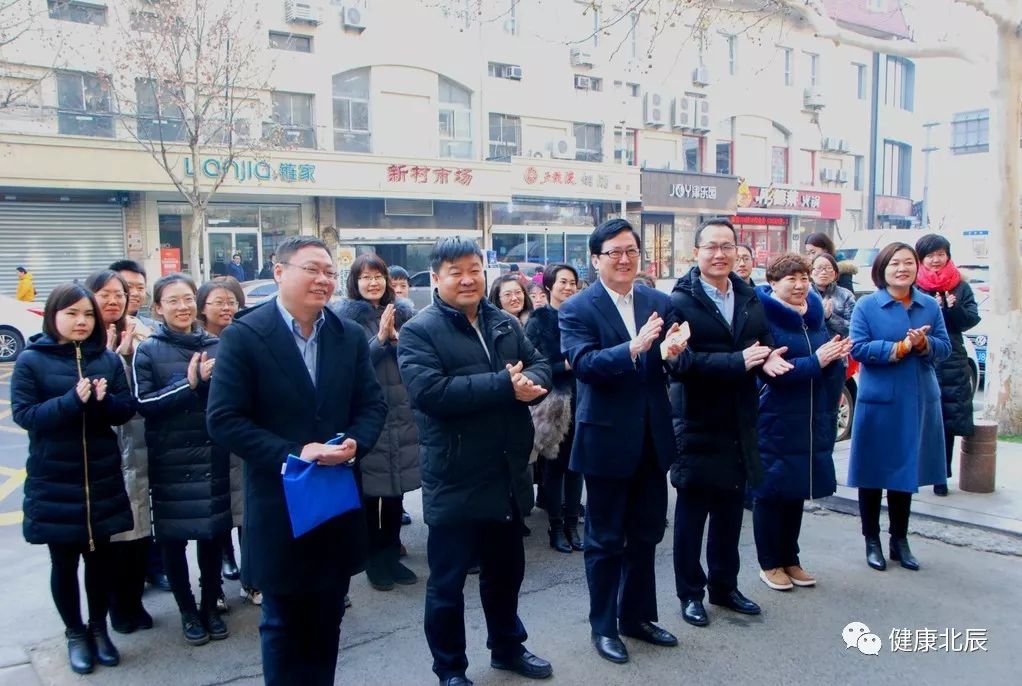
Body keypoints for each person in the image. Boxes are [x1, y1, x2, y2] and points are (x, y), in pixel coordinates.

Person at [207, 236, 386, 686]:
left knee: (328, 619)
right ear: (279, 271)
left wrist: (355, 445)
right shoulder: (245, 336)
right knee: (283, 624)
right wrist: (292, 454)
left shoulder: (346, 336)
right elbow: (224, 419)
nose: (323, 279)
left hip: (336, 498)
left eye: (328, 271)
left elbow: (371, 405)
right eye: (311, 269)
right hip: (278, 504)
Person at [397, 237, 553, 686]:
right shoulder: (419, 330)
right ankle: (450, 669)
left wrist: (528, 382)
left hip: (506, 468)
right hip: (454, 473)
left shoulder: (502, 322)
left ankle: (507, 647)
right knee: (446, 585)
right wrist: (506, 387)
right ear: (436, 278)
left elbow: (539, 365)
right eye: (455, 271)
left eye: (474, 269)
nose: (467, 279)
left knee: (506, 573)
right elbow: (431, 394)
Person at [559, 218, 688, 665]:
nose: (624, 258)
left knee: (647, 534)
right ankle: (603, 626)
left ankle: (637, 616)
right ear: (596, 259)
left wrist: (673, 350)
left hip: (652, 437)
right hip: (606, 440)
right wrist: (634, 348)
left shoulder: (657, 300)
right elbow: (584, 364)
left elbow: (674, 354)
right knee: (605, 539)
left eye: (631, 250)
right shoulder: (578, 308)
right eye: (614, 251)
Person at [668, 218, 793, 629]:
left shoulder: (749, 295)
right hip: (697, 419)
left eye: (727, 247)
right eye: (711, 247)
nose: (720, 254)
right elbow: (680, 364)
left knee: (730, 512)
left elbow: (760, 342)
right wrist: (737, 362)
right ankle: (691, 594)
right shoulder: (680, 301)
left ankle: (725, 586)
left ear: (738, 251)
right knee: (692, 515)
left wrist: (768, 357)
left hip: (740, 419)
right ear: (696, 253)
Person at [12, 283, 134, 674]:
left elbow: (125, 411)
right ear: (53, 316)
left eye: (87, 315)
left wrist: (103, 402)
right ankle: (75, 633)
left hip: (101, 477)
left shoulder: (107, 360)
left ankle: (99, 630)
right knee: (63, 562)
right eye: (72, 314)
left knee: (100, 562)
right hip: (55, 480)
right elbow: (26, 416)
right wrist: (71, 401)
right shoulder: (31, 359)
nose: (81, 322)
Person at [133, 274, 231, 646]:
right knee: (173, 542)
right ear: (158, 307)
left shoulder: (216, 344)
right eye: (172, 301)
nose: (182, 306)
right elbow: (145, 405)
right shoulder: (148, 349)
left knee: (211, 538)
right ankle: (187, 611)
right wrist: (188, 384)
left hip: (212, 454)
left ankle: (209, 605)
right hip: (170, 460)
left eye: (188, 299)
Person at [848, 242, 951, 572]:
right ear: (882, 268)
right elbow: (859, 348)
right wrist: (900, 347)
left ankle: (899, 540)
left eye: (908, 263)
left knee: (905, 471)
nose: (902, 269)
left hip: (919, 397)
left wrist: (924, 344)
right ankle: (871, 540)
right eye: (895, 263)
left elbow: (945, 349)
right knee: (873, 472)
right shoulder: (867, 305)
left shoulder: (929, 307)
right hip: (880, 401)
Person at [752, 254, 850, 591]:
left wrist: (836, 359)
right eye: (790, 278)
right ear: (773, 282)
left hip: (810, 416)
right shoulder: (762, 315)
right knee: (770, 491)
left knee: (797, 489)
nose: (799, 284)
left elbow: (823, 364)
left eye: (804, 277)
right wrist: (817, 361)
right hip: (775, 416)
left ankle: (791, 558)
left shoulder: (813, 314)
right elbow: (774, 373)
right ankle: (769, 562)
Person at [335, 254, 420, 592]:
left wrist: (400, 341)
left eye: (378, 276)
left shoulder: (405, 313)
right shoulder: (345, 320)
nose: (373, 283)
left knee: (397, 490)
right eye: (365, 277)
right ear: (354, 283)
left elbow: (416, 360)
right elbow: (349, 369)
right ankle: (373, 561)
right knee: (371, 493)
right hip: (368, 415)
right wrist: (381, 339)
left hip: (401, 411)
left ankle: (391, 555)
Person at [87, 268, 156, 635]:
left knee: (140, 528)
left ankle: (132, 602)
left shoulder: (144, 331)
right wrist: (114, 358)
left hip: (141, 441)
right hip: (103, 451)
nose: (114, 300)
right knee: (112, 535)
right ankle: (113, 610)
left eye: (121, 293)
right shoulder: (84, 341)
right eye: (106, 294)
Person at [196, 277, 255, 606]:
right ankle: (218, 574)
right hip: (204, 444)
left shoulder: (246, 338)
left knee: (245, 509)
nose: (226, 307)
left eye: (232, 301)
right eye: (219, 301)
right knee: (216, 515)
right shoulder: (194, 343)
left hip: (242, 438)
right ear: (202, 307)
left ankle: (251, 577)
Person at [914, 234, 981, 497]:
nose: (935, 259)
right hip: (920, 352)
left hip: (950, 357)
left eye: (940, 254)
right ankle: (917, 470)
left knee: (947, 419)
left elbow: (970, 320)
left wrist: (951, 310)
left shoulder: (960, 286)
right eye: (930, 255)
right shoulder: (914, 285)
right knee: (920, 417)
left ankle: (941, 476)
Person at [524, 263, 582, 554]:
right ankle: (556, 527)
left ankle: (573, 524)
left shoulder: (584, 316)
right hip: (555, 403)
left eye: (573, 282)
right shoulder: (538, 321)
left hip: (585, 398)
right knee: (555, 467)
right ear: (548, 286)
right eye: (562, 282)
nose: (569, 287)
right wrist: (568, 364)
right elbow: (537, 364)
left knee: (577, 467)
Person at [810, 253, 856, 340]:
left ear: (835, 273)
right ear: (811, 273)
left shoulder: (846, 295)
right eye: (819, 268)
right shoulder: (803, 294)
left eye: (828, 268)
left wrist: (830, 317)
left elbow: (853, 329)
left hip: (838, 349)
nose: (823, 272)